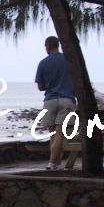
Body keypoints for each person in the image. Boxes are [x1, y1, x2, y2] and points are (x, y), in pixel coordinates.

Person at [35, 36, 76, 170]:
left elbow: (40, 87)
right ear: (58, 45)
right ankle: (54, 163)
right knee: (59, 134)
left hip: (50, 100)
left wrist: (50, 84)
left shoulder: (42, 63)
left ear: (47, 46)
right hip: (66, 99)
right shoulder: (69, 60)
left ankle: (53, 163)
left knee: (53, 134)